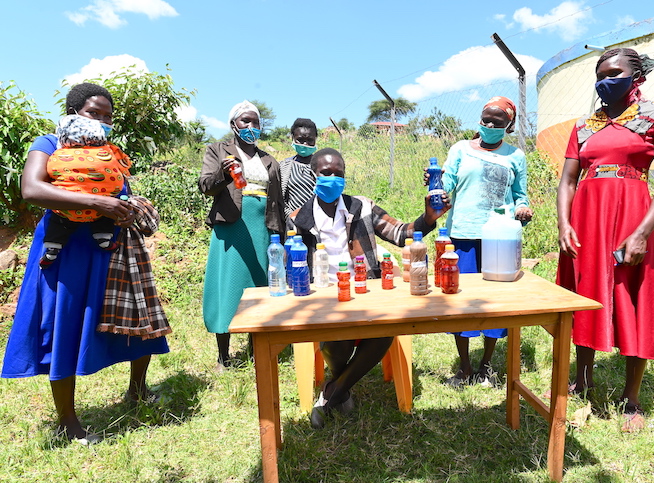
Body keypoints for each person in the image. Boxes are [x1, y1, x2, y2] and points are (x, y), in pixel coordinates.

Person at [1, 82, 169, 444]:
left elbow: (117, 188)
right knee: (66, 322)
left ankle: (137, 390)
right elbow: (32, 189)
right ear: (74, 110)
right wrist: (101, 205)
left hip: (112, 246)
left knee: (137, 317)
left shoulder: (110, 151)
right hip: (66, 250)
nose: (104, 121)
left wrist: (125, 208)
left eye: (109, 116)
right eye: (96, 113)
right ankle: (67, 420)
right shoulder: (49, 143)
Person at [556, 48, 654, 432]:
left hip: (631, 218)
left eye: (613, 73)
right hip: (586, 222)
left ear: (636, 77)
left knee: (632, 298)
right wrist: (563, 224)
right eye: (599, 74)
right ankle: (585, 377)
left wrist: (642, 231)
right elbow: (568, 181)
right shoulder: (583, 124)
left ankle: (632, 399)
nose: (604, 81)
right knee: (585, 296)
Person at [288, 147, 449, 428]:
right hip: (324, 297)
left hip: (365, 291)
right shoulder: (299, 218)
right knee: (338, 340)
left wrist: (429, 218)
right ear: (314, 175)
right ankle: (341, 388)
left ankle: (333, 391)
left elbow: (399, 233)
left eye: (339, 174)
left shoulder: (361, 207)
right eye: (326, 173)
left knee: (383, 334)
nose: (333, 179)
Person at [434, 96, 533, 388]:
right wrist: (436, 184)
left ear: (509, 125)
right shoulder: (460, 149)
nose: (489, 125)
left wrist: (522, 209)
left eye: (497, 122)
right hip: (462, 234)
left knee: (495, 301)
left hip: (499, 236)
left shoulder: (515, 156)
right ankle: (464, 367)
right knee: (460, 299)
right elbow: (447, 183)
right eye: (485, 119)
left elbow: (520, 195)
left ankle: (486, 366)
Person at [199, 100, 284, 371]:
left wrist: (279, 232)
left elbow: (277, 200)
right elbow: (206, 186)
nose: (251, 126)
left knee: (259, 284)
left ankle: (254, 348)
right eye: (245, 121)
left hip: (262, 227)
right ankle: (224, 355)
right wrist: (223, 174)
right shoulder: (217, 151)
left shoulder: (268, 159)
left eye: (255, 122)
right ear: (233, 124)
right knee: (228, 285)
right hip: (232, 227)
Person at [40, 114, 132, 268]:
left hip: (67, 209)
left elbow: (51, 172)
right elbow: (121, 174)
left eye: (108, 115)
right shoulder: (108, 153)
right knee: (107, 210)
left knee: (58, 220)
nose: (101, 120)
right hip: (101, 212)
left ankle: (53, 247)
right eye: (94, 113)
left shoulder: (58, 154)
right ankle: (103, 238)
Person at [280, 118, 318, 219]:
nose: (305, 144)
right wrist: (293, 216)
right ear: (293, 138)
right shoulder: (284, 166)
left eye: (310, 140)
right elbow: (280, 199)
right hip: (292, 221)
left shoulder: (322, 165)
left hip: (319, 221)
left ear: (315, 139)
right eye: (300, 140)